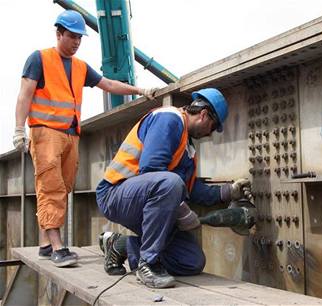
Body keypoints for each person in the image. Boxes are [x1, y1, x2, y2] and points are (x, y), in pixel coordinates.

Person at [12, 10, 157, 268]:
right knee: (51, 187)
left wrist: (140, 90)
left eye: (80, 37)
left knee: (63, 186)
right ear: (58, 33)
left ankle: (46, 243)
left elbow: (109, 85)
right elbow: (24, 95)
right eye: (72, 36)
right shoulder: (39, 59)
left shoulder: (80, 67)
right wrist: (18, 130)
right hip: (45, 133)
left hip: (70, 135)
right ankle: (58, 247)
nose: (76, 42)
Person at [95, 88, 252, 288]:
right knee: (170, 183)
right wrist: (182, 211)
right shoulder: (168, 119)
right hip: (115, 195)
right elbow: (151, 169)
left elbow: (191, 189)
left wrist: (229, 191)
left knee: (191, 261)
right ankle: (148, 264)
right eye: (212, 128)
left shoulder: (187, 147)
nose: (209, 135)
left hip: (144, 201)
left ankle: (120, 246)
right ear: (203, 115)